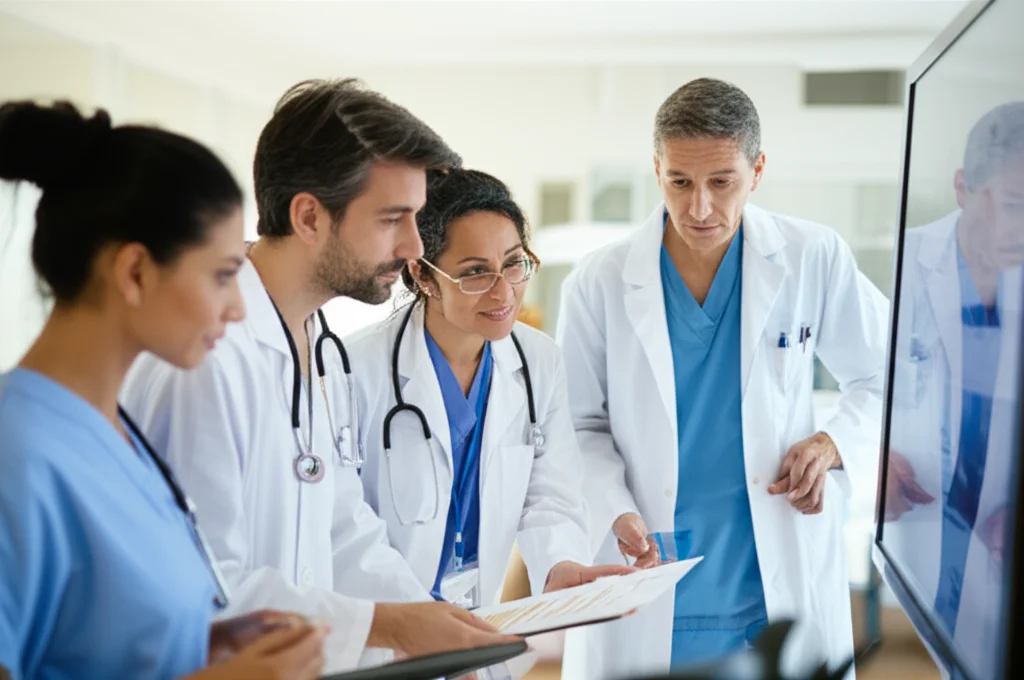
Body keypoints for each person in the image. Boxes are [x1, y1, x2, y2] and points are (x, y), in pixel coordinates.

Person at [120, 79, 520, 673]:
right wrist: (390, 624)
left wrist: (437, 625)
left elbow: (341, 523)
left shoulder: (320, 349)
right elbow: (199, 583)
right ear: (309, 216)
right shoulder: (204, 359)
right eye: (394, 218)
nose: (414, 246)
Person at [557, 77, 890, 680]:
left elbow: (886, 376)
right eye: (679, 182)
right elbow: (578, 424)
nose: (699, 208)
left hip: (773, 583)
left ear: (757, 171)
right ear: (655, 169)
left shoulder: (813, 256)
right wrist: (613, 507)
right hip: (648, 582)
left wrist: (833, 444)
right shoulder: (598, 282)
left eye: (721, 182)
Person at [0, 101, 327, 680]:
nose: (236, 307)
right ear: (134, 273)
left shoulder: (116, 436)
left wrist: (201, 645)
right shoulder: (16, 452)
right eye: (224, 274)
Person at [345, 169, 632, 610]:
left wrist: (559, 564)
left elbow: (551, 493)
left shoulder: (539, 362)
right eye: (476, 272)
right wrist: (424, 624)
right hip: (383, 624)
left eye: (514, 263)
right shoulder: (354, 370)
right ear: (422, 274)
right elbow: (346, 524)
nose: (504, 293)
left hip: (483, 623)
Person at [882, 102, 1024, 680]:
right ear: (964, 189)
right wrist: (870, 456)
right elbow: (862, 390)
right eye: (1015, 204)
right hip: (925, 508)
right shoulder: (905, 261)